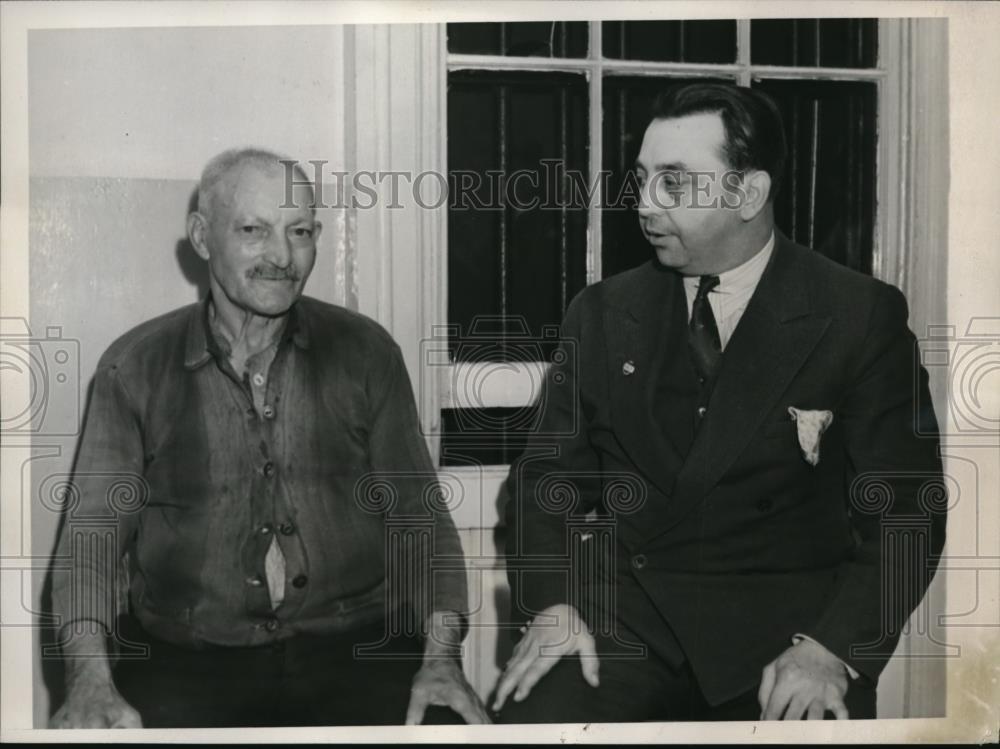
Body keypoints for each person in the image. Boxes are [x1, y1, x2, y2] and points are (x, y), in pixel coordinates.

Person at [496, 83, 946, 722]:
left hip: (784, 638)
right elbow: (546, 480)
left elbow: (908, 512)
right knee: (532, 720)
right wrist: (553, 603)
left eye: (674, 183)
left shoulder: (857, 315)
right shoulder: (599, 313)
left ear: (748, 193)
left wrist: (832, 649)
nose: (645, 204)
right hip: (623, 624)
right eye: (643, 178)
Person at [49, 148, 489, 728]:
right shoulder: (133, 368)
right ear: (203, 237)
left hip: (355, 654)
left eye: (299, 231)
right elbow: (91, 544)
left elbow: (422, 524)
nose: (282, 256)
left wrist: (441, 660)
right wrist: (89, 681)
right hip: (186, 663)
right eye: (254, 230)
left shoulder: (367, 354)